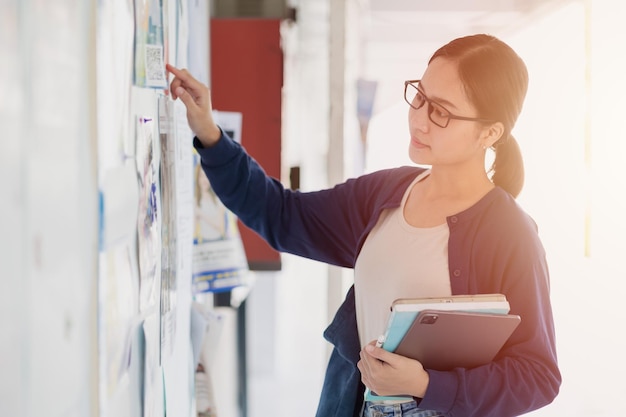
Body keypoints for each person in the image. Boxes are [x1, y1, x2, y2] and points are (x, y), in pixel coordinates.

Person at [166, 33, 561, 417]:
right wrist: (210, 134)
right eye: (419, 97)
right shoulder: (387, 192)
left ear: (489, 132)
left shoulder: (511, 234)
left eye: (440, 111)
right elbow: (282, 216)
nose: (419, 120)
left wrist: (427, 385)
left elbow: (538, 376)